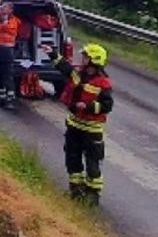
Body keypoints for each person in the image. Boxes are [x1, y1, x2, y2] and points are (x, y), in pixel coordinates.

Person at [55, 43, 113, 205]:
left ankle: (93, 194)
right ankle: (76, 189)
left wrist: (88, 107)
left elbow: (107, 106)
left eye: (86, 57)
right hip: (74, 126)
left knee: (92, 162)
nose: (83, 59)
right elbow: (66, 69)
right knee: (72, 158)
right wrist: (53, 55)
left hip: (91, 130)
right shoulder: (79, 74)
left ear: (93, 61)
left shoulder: (103, 84)